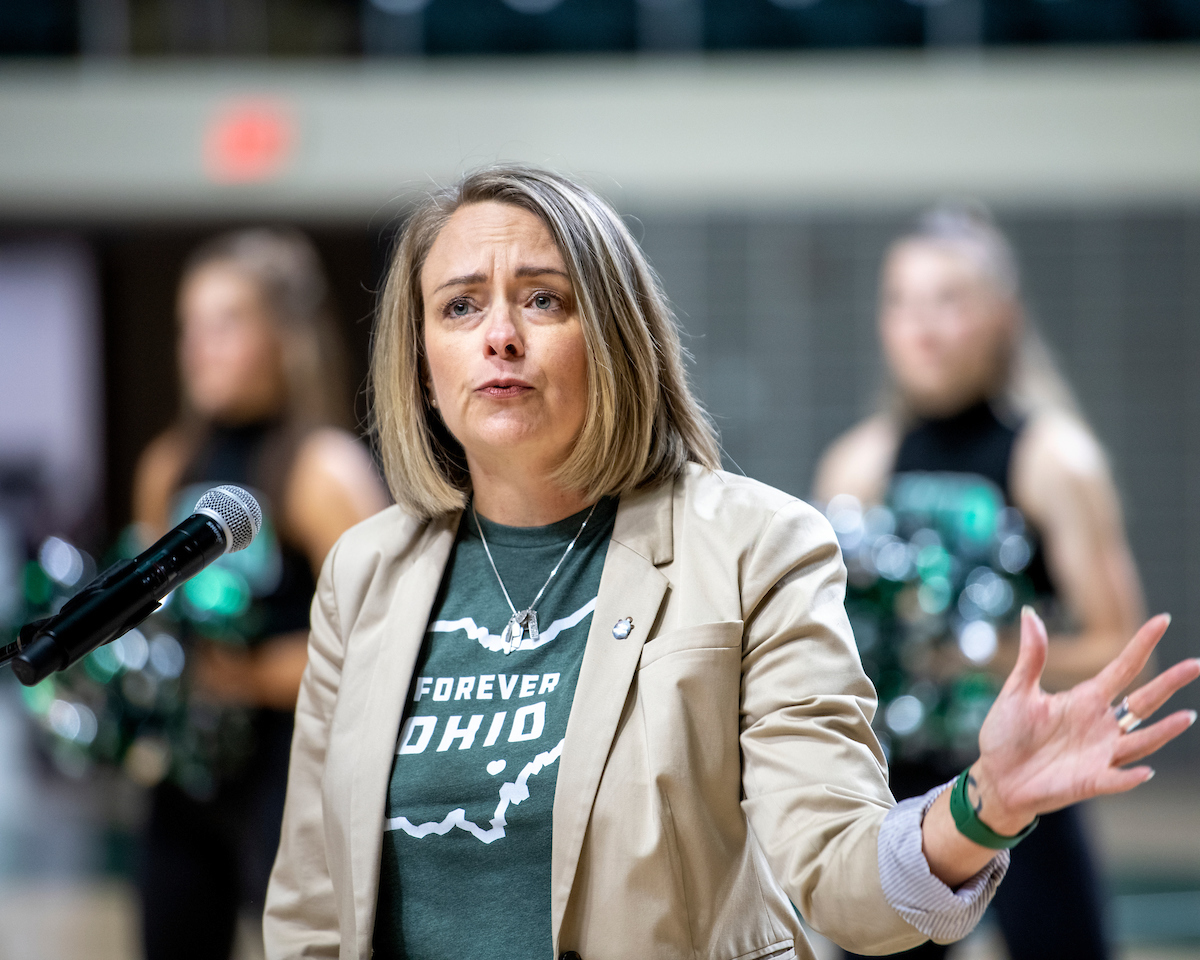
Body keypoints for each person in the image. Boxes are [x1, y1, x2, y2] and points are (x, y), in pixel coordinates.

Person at [263, 167, 1198, 960]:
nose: (499, 333)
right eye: (460, 306)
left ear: (618, 338)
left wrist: (985, 803)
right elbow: (311, 901)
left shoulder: (758, 545)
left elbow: (837, 873)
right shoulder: (365, 572)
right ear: (423, 359)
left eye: (543, 298)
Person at [813, 205, 1145, 959]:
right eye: (901, 300)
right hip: (900, 793)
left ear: (1003, 315)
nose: (921, 324)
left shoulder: (1055, 460)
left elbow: (1123, 649)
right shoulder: (854, 466)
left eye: (948, 300)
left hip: (1029, 775)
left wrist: (977, 657)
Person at [132, 228, 388, 960]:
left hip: (289, 775)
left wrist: (247, 675)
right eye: (190, 327)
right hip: (186, 781)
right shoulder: (167, 463)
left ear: (284, 336)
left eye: (226, 323)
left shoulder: (323, 469)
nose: (199, 348)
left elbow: (384, 648)